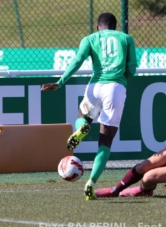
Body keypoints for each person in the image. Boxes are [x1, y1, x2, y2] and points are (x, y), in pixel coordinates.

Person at [41, 12, 137, 200]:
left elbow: (77, 60)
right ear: (115, 26)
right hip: (115, 87)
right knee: (105, 143)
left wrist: (60, 82)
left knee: (82, 116)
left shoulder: (90, 39)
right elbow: (132, 69)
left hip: (95, 85)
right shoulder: (126, 38)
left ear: (97, 26)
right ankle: (91, 182)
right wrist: (119, 81)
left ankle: (82, 128)